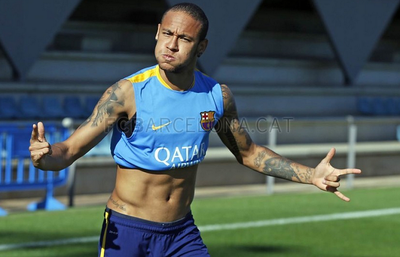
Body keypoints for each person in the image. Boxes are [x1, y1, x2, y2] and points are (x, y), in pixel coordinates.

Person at [29, 3, 361, 257]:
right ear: (158, 32)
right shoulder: (128, 93)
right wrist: (46, 156)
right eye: (167, 34)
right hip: (127, 230)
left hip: (181, 234)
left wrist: (311, 176)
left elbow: (249, 153)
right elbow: (70, 150)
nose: (171, 45)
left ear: (201, 47)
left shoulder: (217, 96)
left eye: (184, 38)